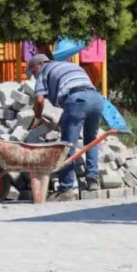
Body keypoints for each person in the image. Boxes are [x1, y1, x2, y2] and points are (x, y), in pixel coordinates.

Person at [28, 53, 104, 201]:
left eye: (33, 71)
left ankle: (66, 188)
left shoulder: (44, 71)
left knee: (67, 145)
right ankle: (92, 179)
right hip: (96, 100)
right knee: (91, 140)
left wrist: (37, 117)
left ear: (39, 64)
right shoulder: (70, 66)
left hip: (76, 101)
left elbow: (38, 100)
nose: (34, 76)